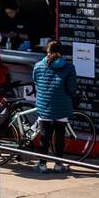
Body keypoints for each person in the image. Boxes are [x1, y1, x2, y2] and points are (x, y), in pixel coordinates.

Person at [31, 40, 78, 173]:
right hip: (62, 106)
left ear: (47, 51)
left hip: (44, 105)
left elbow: (36, 82)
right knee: (60, 136)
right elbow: (71, 88)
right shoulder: (69, 67)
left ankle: (42, 164)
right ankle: (58, 164)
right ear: (61, 52)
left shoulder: (38, 66)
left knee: (45, 136)